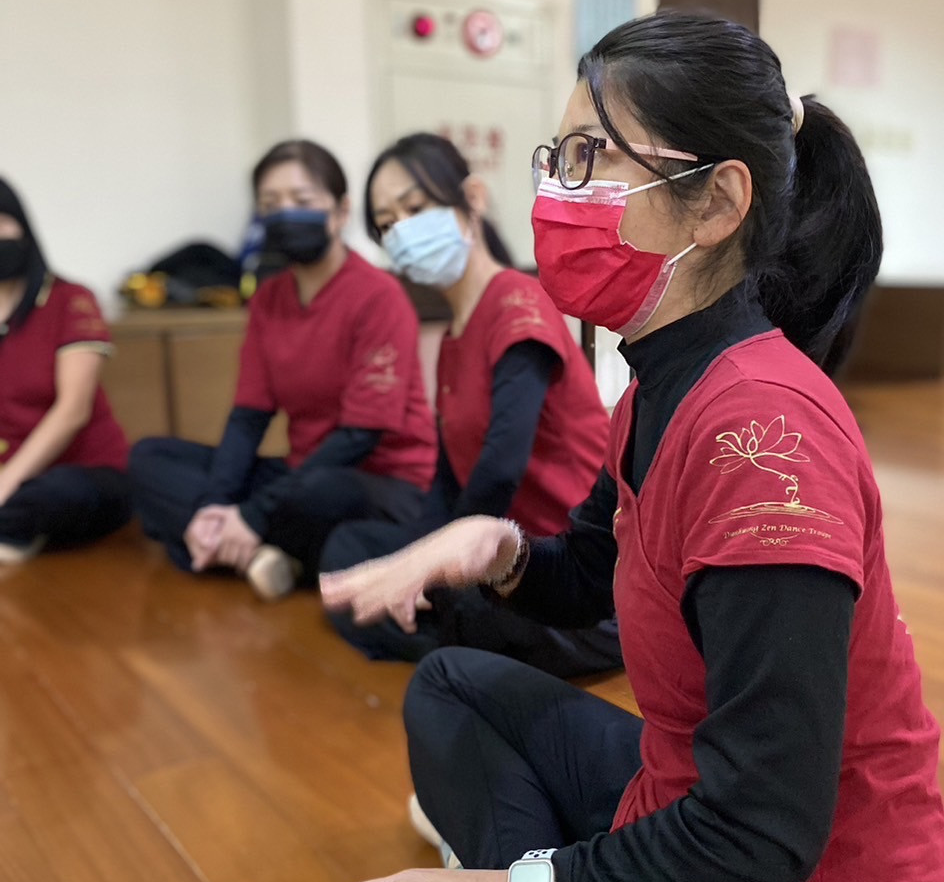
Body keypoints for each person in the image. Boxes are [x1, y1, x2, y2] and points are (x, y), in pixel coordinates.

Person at [269, 13, 944, 882]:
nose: (556, 192)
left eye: (588, 159)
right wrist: (494, 550)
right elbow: (582, 578)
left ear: (714, 201)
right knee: (452, 686)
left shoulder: (763, 440)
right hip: (689, 809)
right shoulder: (661, 383)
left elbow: (767, 829)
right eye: (554, 158)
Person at [319, 133, 620, 678]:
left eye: (414, 208)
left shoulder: (517, 302)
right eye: (386, 224)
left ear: (472, 199)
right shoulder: (455, 335)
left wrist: (431, 567)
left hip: (561, 567)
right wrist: (413, 557)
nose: (401, 230)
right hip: (494, 552)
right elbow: (448, 475)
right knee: (350, 545)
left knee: (448, 603)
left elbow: (500, 468)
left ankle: (445, 641)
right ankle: (441, 632)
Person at [130, 140, 437, 599]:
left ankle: (232, 544)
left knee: (321, 493)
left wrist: (253, 513)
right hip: (299, 473)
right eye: (271, 204)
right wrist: (217, 503)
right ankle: (257, 553)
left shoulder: (379, 297)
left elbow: (360, 436)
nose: (285, 213)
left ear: (340, 211)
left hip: (376, 482)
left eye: (302, 200)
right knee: (150, 457)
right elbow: (248, 418)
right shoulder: (268, 300)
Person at [0, 178, 131, 563]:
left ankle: (13, 525)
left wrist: (7, 483)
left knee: (48, 495)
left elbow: (73, 410)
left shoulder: (70, 300)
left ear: (22, 226)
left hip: (80, 472)